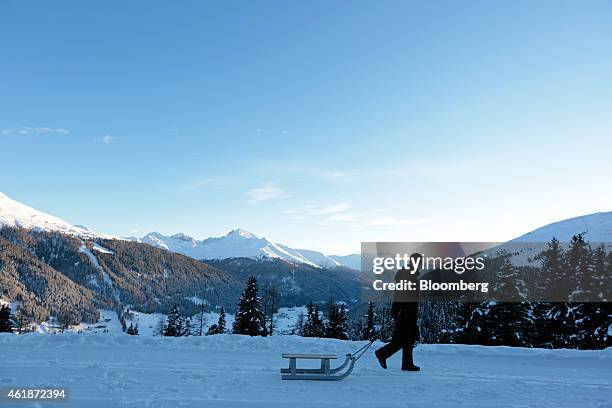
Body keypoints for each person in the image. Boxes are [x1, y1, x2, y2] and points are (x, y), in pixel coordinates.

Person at [374, 253, 422, 371]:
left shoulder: (409, 274)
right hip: (405, 313)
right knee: (401, 340)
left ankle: (407, 363)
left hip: (406, 312)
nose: (421, 265)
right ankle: (382, 354)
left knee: (407, 339)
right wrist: (402, 310)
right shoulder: (408, 275)